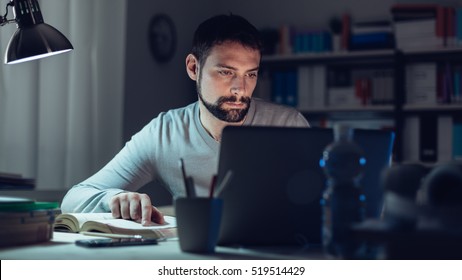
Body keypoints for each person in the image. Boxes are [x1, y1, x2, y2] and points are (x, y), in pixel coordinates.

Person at [61, 14, 309, 225]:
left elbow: (324, 202)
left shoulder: (288, 125)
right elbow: (73, 199)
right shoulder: (163, 134)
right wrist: (113, 198)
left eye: (250, 74)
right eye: (226, 72)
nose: (240, 89)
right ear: (193, 68)